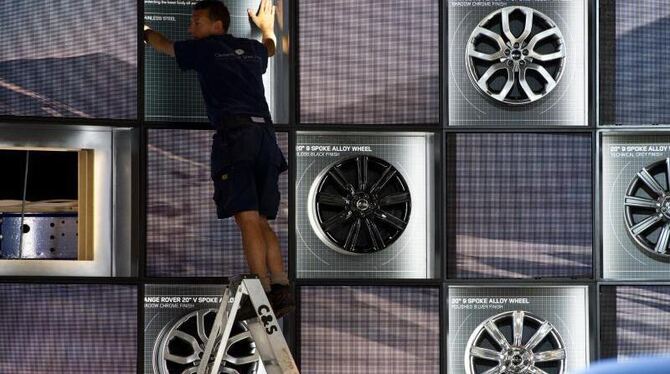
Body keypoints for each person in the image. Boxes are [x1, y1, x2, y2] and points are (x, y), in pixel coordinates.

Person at [144, 0, 293, 317]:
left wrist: (141, 28)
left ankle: (261, 291)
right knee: (262, 220)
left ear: (217, 25)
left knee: (248, 219)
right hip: (265, 138)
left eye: (196, 21)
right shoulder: (250, 50)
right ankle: (280, 284)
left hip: (235, 138)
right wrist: (267, 28)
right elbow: (270, 48)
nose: (190, 28)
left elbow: (164, 45)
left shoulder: (205, 49)